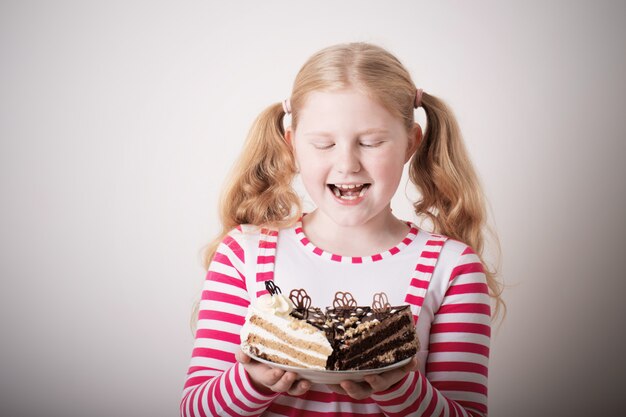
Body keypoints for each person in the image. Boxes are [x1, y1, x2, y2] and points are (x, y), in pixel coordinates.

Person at [180, 42, 504, 417]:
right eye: (324, 144)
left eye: (371, 142)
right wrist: (251, 382)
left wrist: (401, 390)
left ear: (410, 143)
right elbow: (196, 409)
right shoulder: (245, 254)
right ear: (293, 147)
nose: (347, 163)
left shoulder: (452, 268)